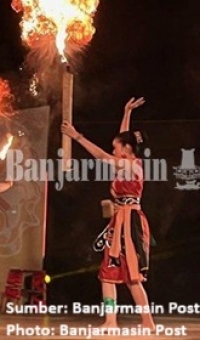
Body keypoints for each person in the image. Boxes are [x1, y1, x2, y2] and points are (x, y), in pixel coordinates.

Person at [61, 97, 156, 332]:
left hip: (130, 222)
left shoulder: (132, 166)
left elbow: (104, 158)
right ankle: (111, 320)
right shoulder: (126, 160)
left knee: (132, 276)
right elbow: (123, 136)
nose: (113, 149)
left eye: (117, 146)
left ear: (126, 149)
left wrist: (77, 137)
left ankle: (148, 321)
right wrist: (126, 113)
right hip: (118, 221)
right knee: (108, 273)